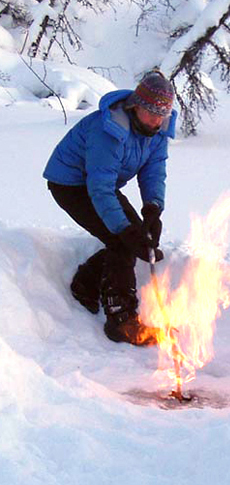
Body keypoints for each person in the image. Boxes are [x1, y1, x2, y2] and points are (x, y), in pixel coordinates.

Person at [43, 70, 177, 346]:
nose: (156, 121)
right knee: (122, 239)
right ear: (136, 106)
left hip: (101, 184)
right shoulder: (109, 129)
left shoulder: (158, 130)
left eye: (161, 115)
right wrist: (124, 230)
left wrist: (153, 209)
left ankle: (86, 284)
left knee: (134, 234)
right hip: (70, 184)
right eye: (151, 113)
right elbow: (100, 188)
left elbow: (154, 170)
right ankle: (121, 320)